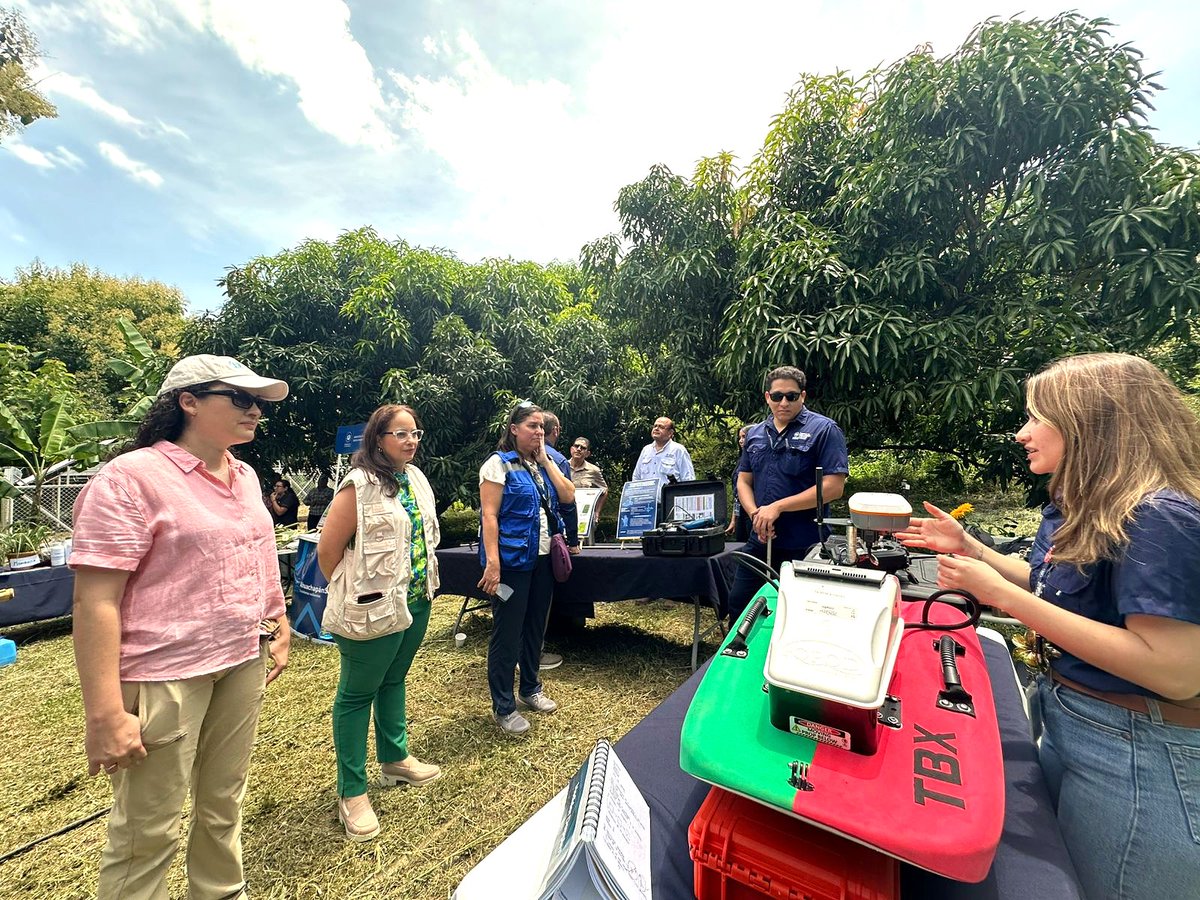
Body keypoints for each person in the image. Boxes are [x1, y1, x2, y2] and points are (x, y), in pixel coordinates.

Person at [896, 353, 1200, 900]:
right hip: (1075, 715)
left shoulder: (1159, 516)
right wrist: (974, 551)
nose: (1021, 433)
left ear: (1089, 422)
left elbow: (1174, 672)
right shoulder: (1088, 501)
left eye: (1038, 417)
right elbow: (1050, 590)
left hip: (1139, 749)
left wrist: (998, 593)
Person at [70, 354, 290, 900]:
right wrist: (104, 714)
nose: (255, 411)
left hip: (241, 659)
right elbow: (96, 599)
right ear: (188, 402)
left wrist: (278, 617)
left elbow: (258, 553)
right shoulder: (131, 477)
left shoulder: (244, 476)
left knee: (223, 802)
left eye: (259, 402)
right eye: (240, 399)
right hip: (163, 674)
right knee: (149, 828)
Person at [317, 404, 442, 842]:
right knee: (356, 694)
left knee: (394, 680)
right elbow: (327, 554)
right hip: (370, 607)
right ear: (377, 438)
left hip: (416, 600)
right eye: (400, 433)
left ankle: (395, 758)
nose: (410, 441)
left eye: (415, 433)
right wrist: (356, 591)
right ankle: (352, 791)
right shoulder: (358, 485)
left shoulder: (417, 479)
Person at [477, 401, 576, 735]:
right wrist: (493, 565)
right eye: (532, 426)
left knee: (535, 626)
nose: (539, 432)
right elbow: (489, 516)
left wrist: (546, 460)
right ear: (514, 429)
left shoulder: (540, 466)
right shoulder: (497, 465)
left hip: (543, 560)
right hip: (511, 564)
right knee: (507, 633)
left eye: (542, 428)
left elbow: (568, 495)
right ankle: (503, 706)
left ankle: (530, 688)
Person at [727, 366, 848, 621]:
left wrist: (778, 506)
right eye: (777, 396)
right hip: (761, 538)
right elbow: (743, 480)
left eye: (791, 396)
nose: (784, 402)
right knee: (739, 603)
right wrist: (756, 514)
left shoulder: (825, 430)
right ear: (767, 397)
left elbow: (834, 487)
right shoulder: (755, 434)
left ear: (802, 396)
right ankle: (741, 657)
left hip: (806, 542)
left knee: (798, 614)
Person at [631, 416, 695, 514]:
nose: (656, 428)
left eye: (661, 427)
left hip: (671, 507)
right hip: (646, 507)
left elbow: (688, 480)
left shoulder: (678, 450)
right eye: (655, 426)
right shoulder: (646, 450)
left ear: (670, 433)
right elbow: (636, 477)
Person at [569, 436, 609, 519]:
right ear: (571, 449)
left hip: (584, 515)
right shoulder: (561, 466)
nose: (579, 449)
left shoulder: (593, 470)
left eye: (583, 448)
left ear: (587, 454)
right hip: (565, 513)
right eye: (576, 446)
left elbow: (604, 491)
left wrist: (597, 512)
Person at [725, 425, 751, 541]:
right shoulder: (741, 460)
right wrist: (733, 520)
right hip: (740, 511)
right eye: (739, 437)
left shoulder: (759, 460)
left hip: (753, 511)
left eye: (744, 437)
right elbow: (737, 495)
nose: (741, 440)